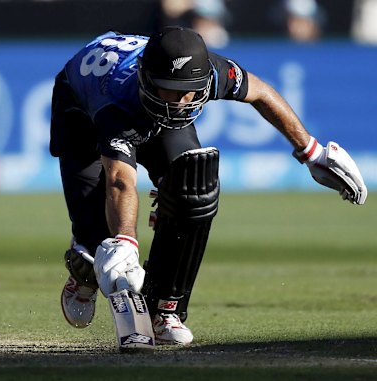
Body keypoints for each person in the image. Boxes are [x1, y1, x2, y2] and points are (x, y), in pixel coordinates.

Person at [50, 27, 367, 346]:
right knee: (99, 247)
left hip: (138, 92)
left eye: (188, 91)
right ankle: (83, 272)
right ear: (147, 79)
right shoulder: (115, 102)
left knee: (193, 187)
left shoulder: (211, 70)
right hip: (80, 113)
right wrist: (125, 240)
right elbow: (120, 180)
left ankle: (164, 310)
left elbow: (261, 92)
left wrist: (311, 151)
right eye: (169, 91)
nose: (179, 103)